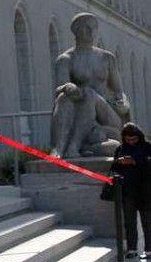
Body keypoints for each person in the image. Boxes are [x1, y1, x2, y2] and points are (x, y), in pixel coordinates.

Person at [51, 12, 130, 158]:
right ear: (76, 31)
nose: (91, 31)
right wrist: (67, 87)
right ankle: (61, 148)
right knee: (64, 98)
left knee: (89, 94)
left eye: (94, 27)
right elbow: (59, 90)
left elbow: (119, 92)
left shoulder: (106, 58)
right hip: (83, 115)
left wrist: (123, 103)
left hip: (106, 114)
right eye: (86, 27)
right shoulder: (66, 59)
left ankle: (74, 146)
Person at [110, 123, 151, 259]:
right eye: (128, 140)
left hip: (146, 189)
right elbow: (114, 168)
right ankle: (132, 248)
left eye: (134, 139)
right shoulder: (121, 149)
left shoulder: (147, 147)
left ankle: (149, 249)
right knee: (129, 220)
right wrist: (119, 162)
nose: (131, 142)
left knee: (147, 221)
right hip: (127, 190)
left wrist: (136, 162)